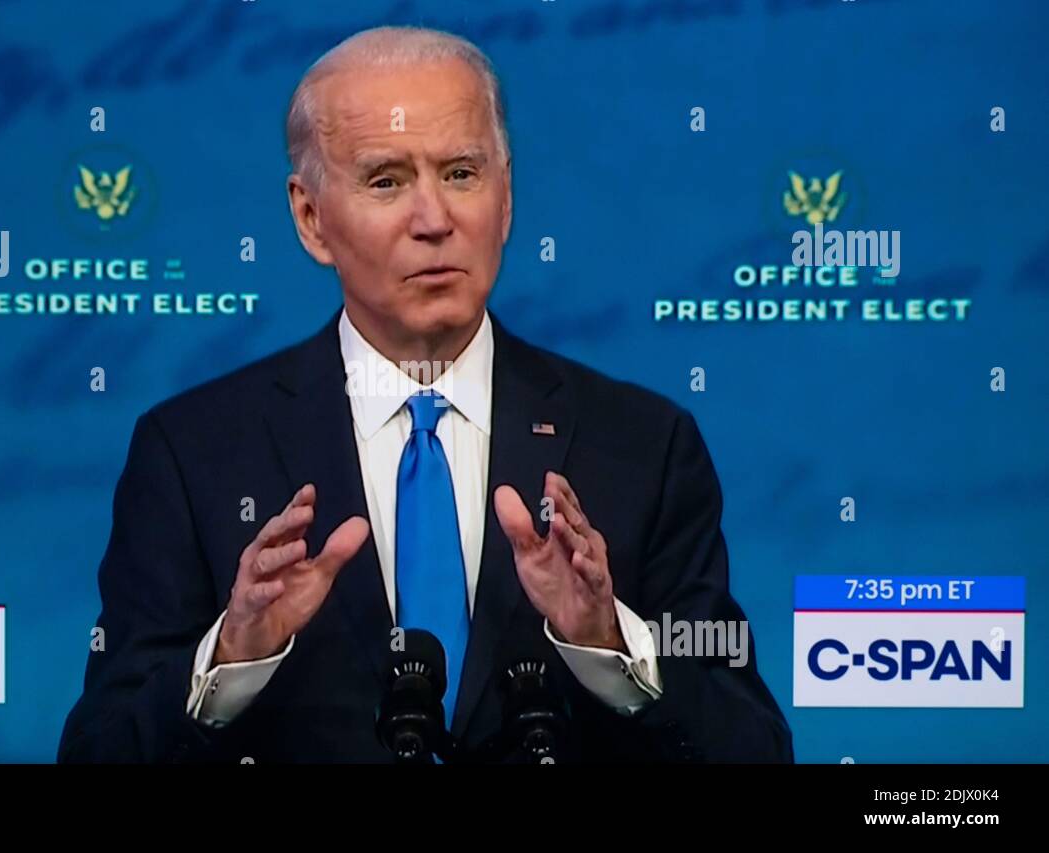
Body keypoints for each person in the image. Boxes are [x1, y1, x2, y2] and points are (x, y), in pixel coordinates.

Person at [58, 25, 792, 763]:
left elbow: (755, 749)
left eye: (463, 174)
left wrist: (611, 644)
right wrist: (230, 657)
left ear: (506, 199)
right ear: (311, 219)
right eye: (386, 180)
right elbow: (97, 751)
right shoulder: (193, 454)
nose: (435, 220)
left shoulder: (644, 445)